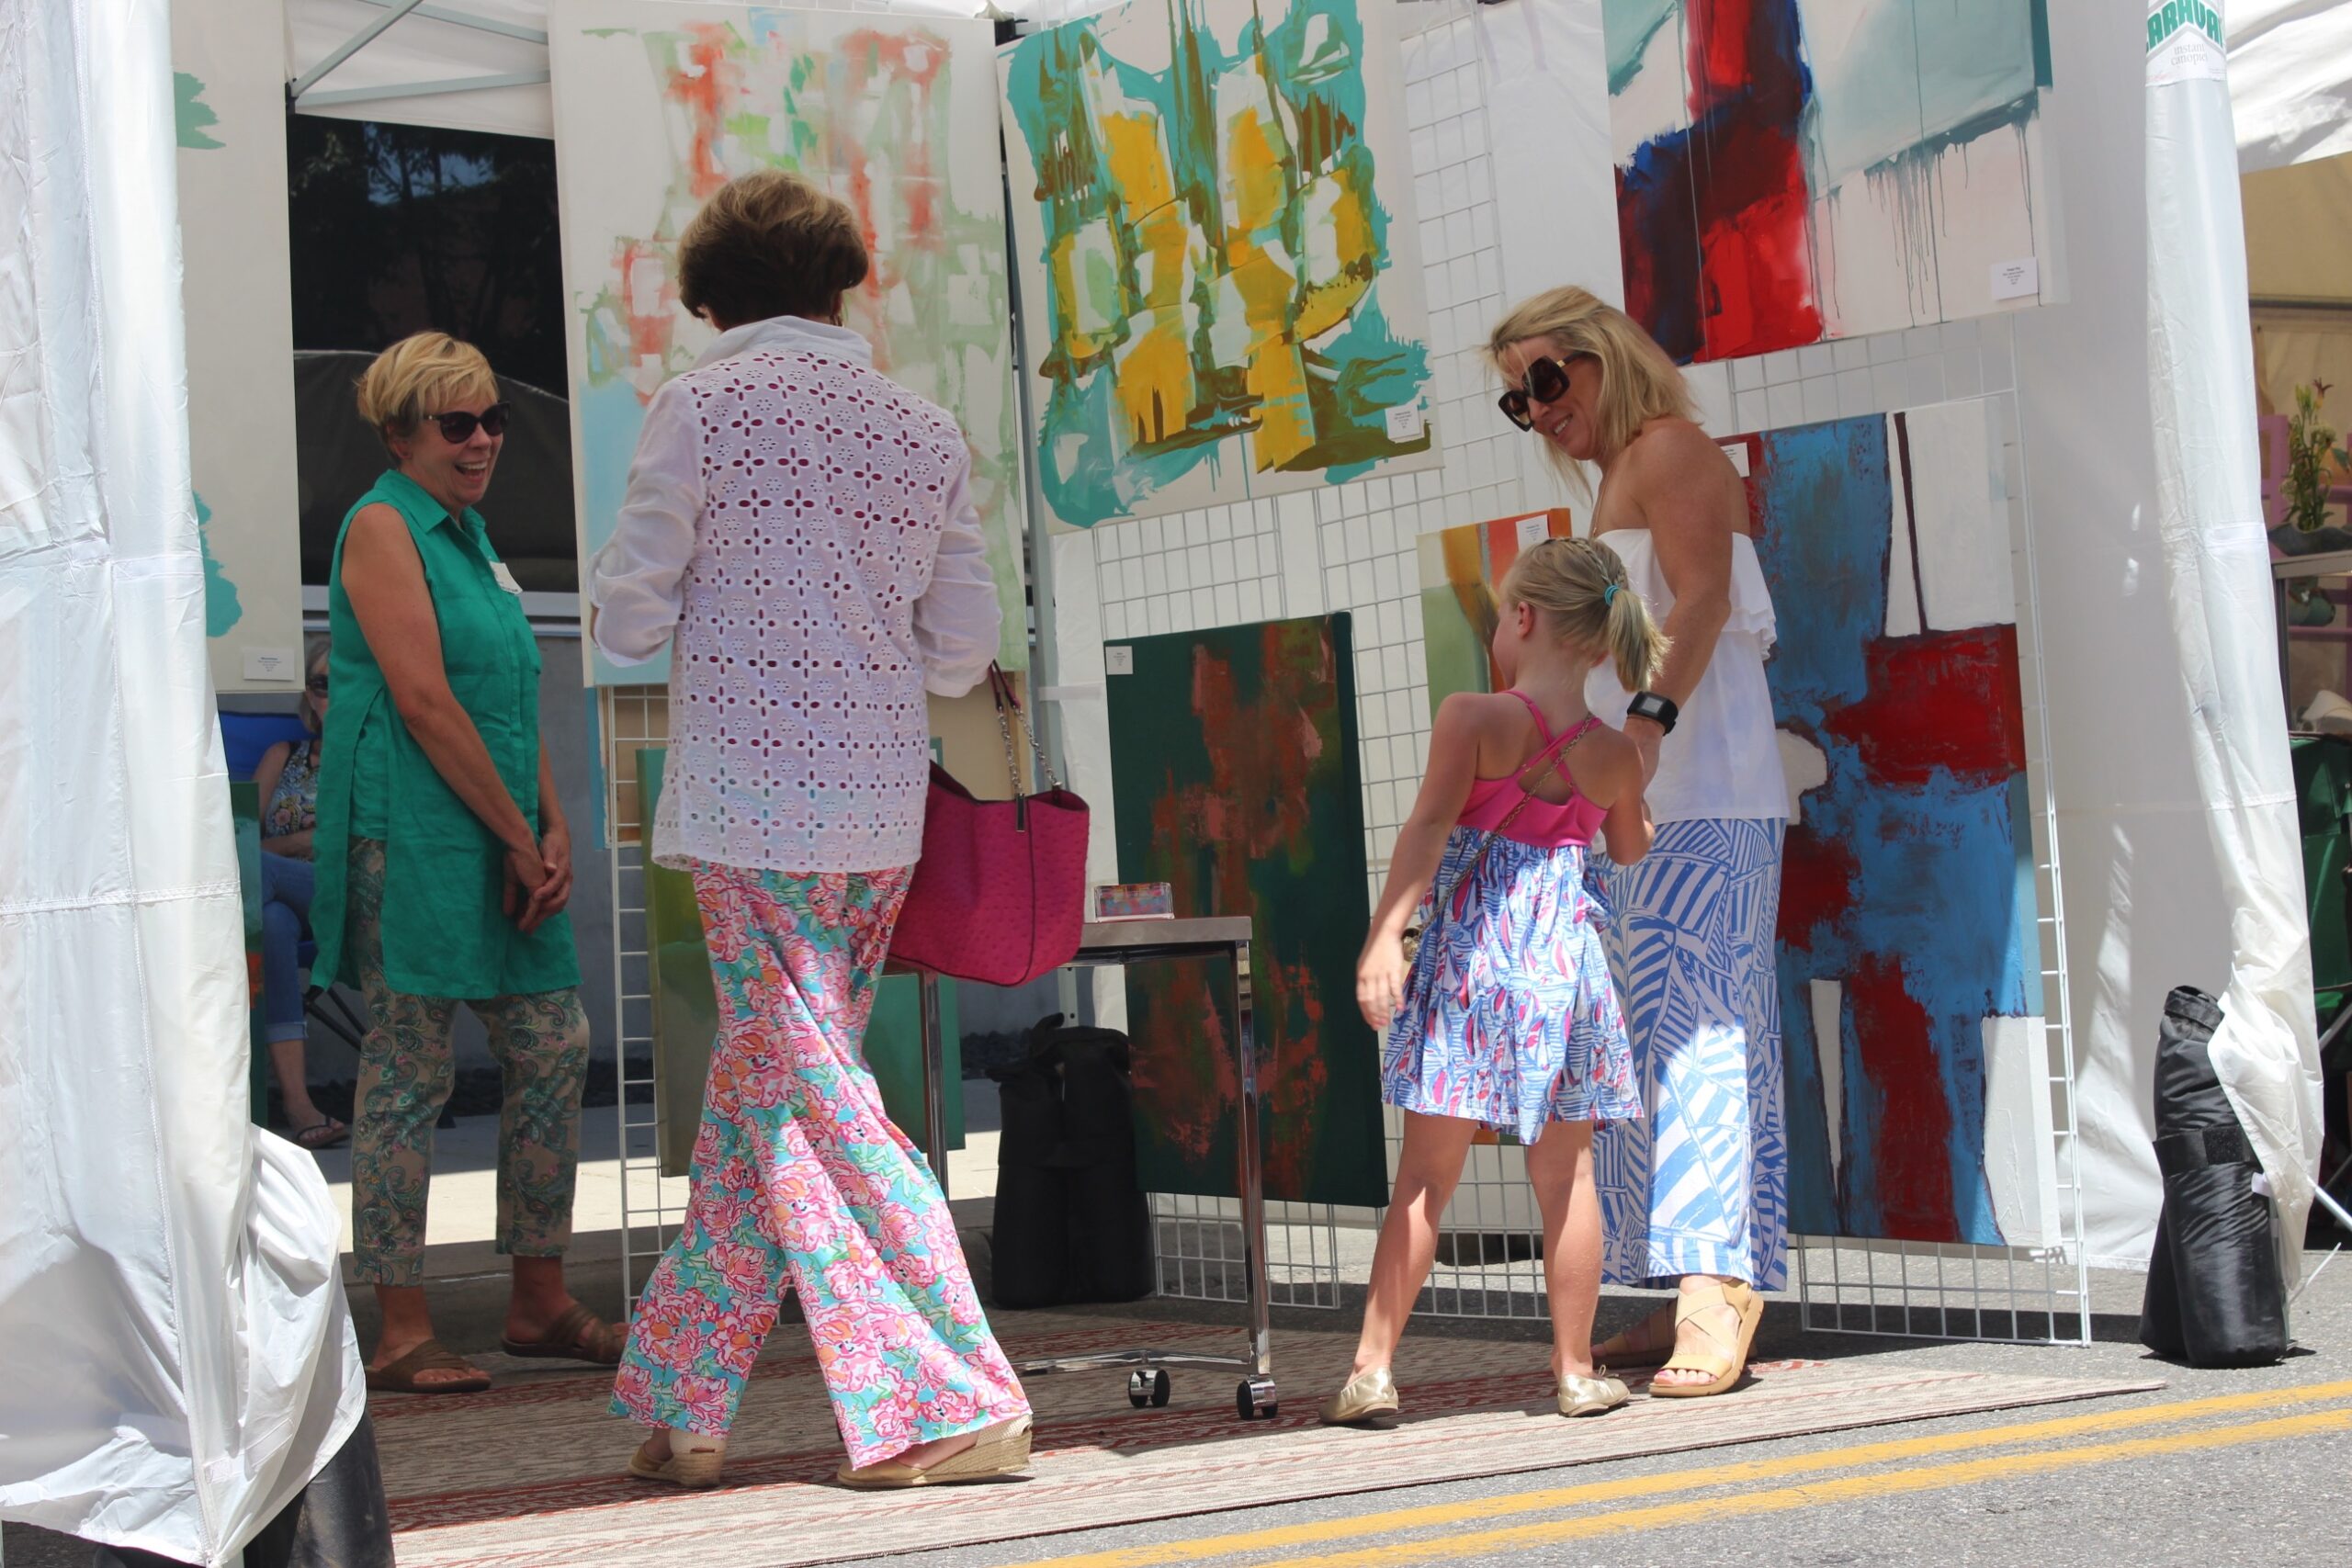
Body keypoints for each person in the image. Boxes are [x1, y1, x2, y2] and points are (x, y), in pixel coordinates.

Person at [591, 169, 1030, 1491]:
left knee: (813, 1097)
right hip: (878, 808)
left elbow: (622, 618)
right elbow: (964, 646)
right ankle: (685, 1395)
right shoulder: (921, 425)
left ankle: (951, 1397)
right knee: (775, 1089)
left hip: (745, 800)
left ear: (716, 298)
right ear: (839, 282)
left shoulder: (699, 407)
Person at [1488, 288, 1792, 1399]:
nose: (1538, 408)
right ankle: (1684, 1286)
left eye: (1549, 381)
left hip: (1700, 789)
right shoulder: (1631, 467)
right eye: (1519, 399)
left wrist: (1647, 732)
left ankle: (1719, 1283)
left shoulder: (1668, 450)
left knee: (1706, 1025)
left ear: (1604, 355)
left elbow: (1703, 600)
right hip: (1647, 795)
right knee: (1643, 1031)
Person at [311, 332, 616, 1395]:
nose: (483, 438)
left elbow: (506, 690)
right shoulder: (383, 525)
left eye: (490, 418)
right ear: (401, 433)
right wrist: (519, 835)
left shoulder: (472, 535)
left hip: (491, 825)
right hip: (411, 832)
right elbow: (424, 702)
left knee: (552, 1039)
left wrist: (547, 818)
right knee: (408, 1065)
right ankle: (399, 1326)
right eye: (457, 423)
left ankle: (537, 1299)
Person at [1327, 536, 1662, 1426]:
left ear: (1522, 618)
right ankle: (1575, 1371)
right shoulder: (1615, 752)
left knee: (1425, 1181)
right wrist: (1636, 767)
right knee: (1568, 1177)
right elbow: (1627, 849)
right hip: (1566, 973)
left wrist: (1383, 939)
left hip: (1474, 963)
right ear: (1601, 636)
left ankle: (1371, 1371)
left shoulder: (1473, 716)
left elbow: (1428, 829)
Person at [252, 634, 348, 1150]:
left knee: (253, 876)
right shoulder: (282, 755)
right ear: (308, 695)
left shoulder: (376, 758)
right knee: (270, 921)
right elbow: (244, 841)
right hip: (286, 897)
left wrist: (279, 849)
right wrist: (305, 840)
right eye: (321, 684)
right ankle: (297, 1104)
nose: (331, 694)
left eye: (344, 683)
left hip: (351, 902)